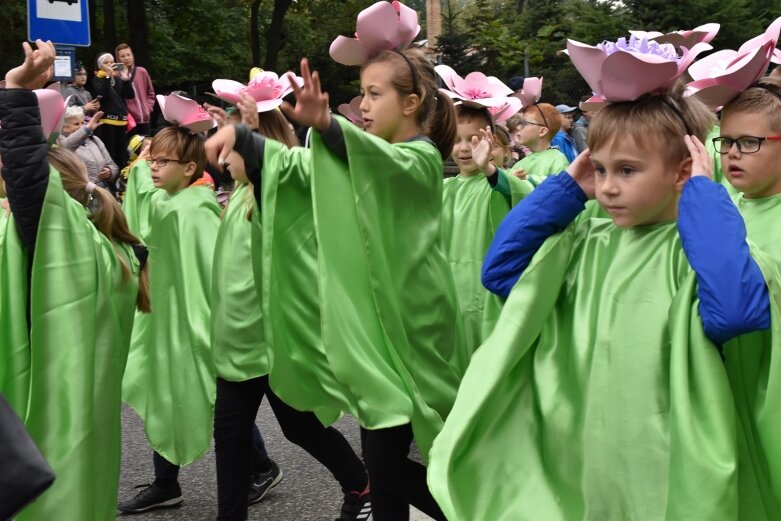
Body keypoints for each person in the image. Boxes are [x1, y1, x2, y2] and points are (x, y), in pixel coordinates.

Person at [428, 50, 779, 520]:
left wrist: (702, 195)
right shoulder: (587, 243)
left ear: (681, 171)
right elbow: (501, 271)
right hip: (590, 462)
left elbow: (736, 312)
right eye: (602, 169)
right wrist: (569, 188)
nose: (609, 187)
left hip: (667, 470)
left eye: (627, 170)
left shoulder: (704, 255)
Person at [206, 44, 467, 519]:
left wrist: (325, 125)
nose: (363, 105)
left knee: (387, 465)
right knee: (384, 471)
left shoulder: (420, 158)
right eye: (361, 94)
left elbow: (374, 164)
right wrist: (244, 137)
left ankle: (474, 511)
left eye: (374, 94)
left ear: (411, 103)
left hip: (413, 333)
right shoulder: (367, 156)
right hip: (377, 339)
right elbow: (297, 169)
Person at [0, 39, 149, 521]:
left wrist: (15, 92)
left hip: (38, 451)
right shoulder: (107, 251)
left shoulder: (52, 243)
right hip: (79, 461)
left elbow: (28, 186)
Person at [209, 93, 370, 521]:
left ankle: (361, 484)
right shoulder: (238, 198)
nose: (224, 161)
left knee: (299, 427)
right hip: (237, 342)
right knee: (229, 436)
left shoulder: (276, 194)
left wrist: (252, 136)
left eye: (232, 151)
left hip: (272, 338)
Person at [119, 123, 221, 513]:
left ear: (190, 168)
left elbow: (208, 271)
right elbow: (150, 213)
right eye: (151, 159)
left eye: (163, 160)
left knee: (198, 394)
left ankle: (259, 465)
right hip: (167, 318)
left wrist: (203, 323)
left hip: (188, 321)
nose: (153, 167)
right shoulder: (171, 200)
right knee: (172, 394)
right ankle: (167, 482)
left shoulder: (196, 210)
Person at [442, 104, 531, 354]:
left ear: (489, 140)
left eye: (473, 140)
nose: (464, 148)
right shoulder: (444, 188)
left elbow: (525, 199)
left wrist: (489, 170)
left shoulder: (498, 183)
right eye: (456, 140)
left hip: (490, 298)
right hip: (451, 296)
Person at [507, 103, 570, 184]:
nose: (518, 127)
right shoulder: (521, 163)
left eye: (524, 123)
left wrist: (527, 179)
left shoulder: (557, 160)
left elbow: (559, 188)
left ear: (542, 131)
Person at [59, 106, 118, 191]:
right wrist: (87, 129)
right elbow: (67, 148)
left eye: (83, 123)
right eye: (76, 124)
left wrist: (110, 171)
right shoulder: (60, 143)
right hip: (80, 193)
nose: (82, 127)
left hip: (102, 190)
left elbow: (113, 165)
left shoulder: (95, 140)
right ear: (64, 127)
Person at [91, 52, 134, 169]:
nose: (110, 64)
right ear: (100, 65)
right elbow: (102, 95)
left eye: (111, 62)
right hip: (107, 122)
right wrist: (108, 76)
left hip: (121, 121)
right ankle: (111, 180)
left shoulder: (118, 79)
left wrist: (126, 79)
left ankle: (121, 179)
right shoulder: (97, 79)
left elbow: (130, 95)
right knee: (110, 153)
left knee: (122, 153)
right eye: (106, 63)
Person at [116, 43, 156, 137]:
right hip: (130, 121)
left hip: (145, 119)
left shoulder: (142, 71)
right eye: (122, 56)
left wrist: (148, 108)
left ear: (133, 56)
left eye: (128, 55)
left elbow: (150, 93)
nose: (126, 58)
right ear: (118, 59)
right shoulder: (116, 76)